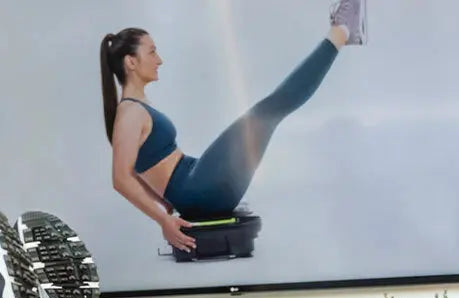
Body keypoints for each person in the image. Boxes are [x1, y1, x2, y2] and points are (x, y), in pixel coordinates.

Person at [103, 0, 366, 253]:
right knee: (268, 110)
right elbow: (121, 178)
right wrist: (163, 219)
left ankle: (342, 31)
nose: (159, 59)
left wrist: (162, 203)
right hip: (199, 189)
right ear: (131, 62)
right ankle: (342, 30)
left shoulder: (135, 108)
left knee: (269, 112)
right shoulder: (129, 113)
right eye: (151, 51)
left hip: (196, 184)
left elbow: (140, 169)